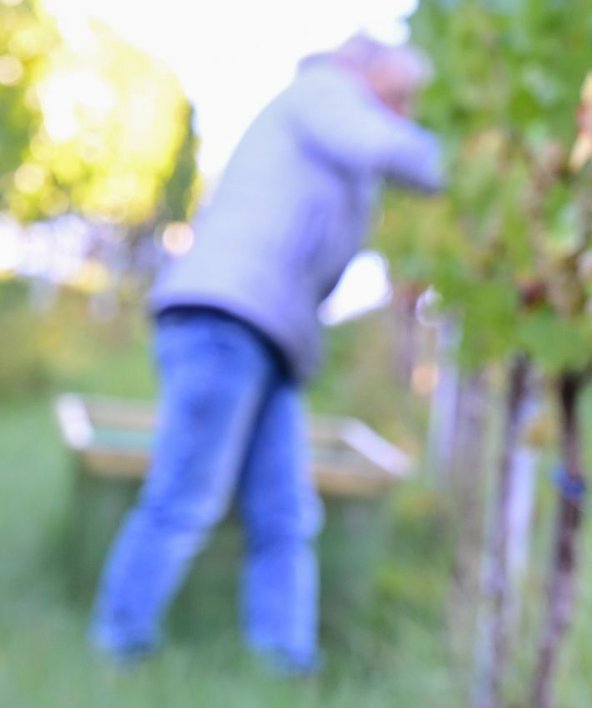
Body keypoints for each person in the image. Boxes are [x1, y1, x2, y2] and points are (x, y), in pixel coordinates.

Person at [90, 35, 443, 674]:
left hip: (269, 333)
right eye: (397, 98)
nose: (403, 115)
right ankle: (117, 647)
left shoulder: (334, 110)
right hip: (228, 320)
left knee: (284, 513)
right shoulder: (325, 93)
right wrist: (460, 168)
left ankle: (285, 664)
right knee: (185, 497)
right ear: (364, 72)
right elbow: (382, 146)